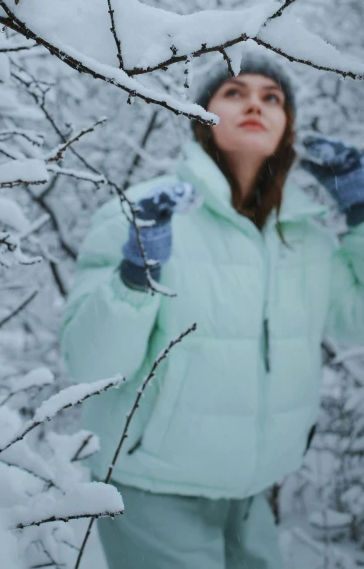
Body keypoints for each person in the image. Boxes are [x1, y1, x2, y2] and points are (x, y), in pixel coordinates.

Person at [61, 53, 364, 569]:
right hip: (153, 485)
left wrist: (360, 214)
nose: (255, 104)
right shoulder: (146, 214)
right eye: (235, 92)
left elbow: (354, 320)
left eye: (272, 97)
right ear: (202, 116)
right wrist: (137, 275)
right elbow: (91, 366)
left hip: (253, 489)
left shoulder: (306, 234)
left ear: (288, 124)